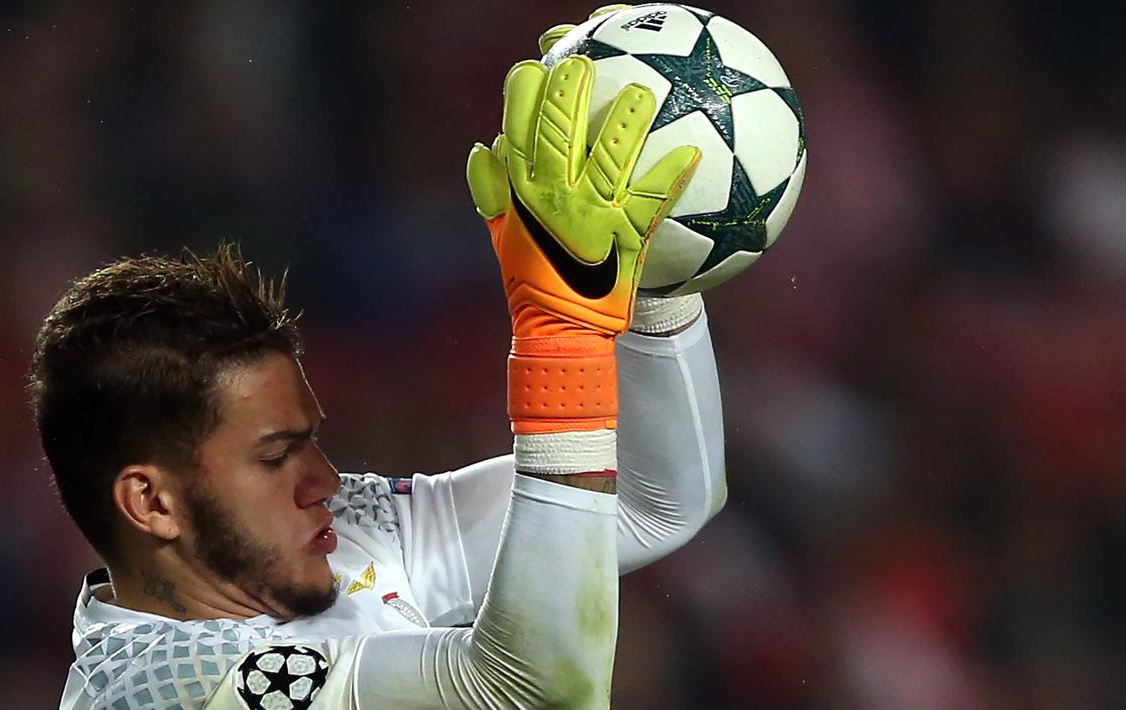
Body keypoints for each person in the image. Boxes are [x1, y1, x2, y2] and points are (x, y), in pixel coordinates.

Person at [37, 31, 723, 710]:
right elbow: (536, 688)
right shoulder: (152, 691)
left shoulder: (337, 532)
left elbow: (650, 499)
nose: (326, 481)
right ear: (152, 503)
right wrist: (561, 339)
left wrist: (648, 264)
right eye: (275, 457)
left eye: (308, 439)